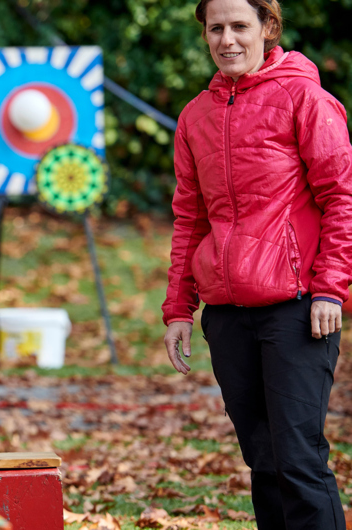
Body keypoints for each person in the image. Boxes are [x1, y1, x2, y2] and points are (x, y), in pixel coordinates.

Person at [162, 0, 352, 527]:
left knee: (298, 460)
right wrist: (179, 308)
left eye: (240, 26)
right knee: (263, 461)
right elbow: (189, 218)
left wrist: (330, 289)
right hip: (226, 314)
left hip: (297, 309)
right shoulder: (194, 116)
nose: (228, 40)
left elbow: (343, 198)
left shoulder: (305, 98)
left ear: (267, 28)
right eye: (216, 28)